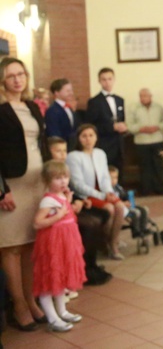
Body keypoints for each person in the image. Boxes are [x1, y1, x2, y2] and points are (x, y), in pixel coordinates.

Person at [0, 57, 48, 331]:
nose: (17, 80)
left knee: (30, 245)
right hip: (11, 188)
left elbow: (40, 144)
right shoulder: (0, 110)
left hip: (36, 185)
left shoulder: (32, 107)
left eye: (21, 74)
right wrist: (1, 190)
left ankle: (31, 300)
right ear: (2, 81)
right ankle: (17, 305)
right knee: (12, 247)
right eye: (11, 76)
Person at [48, 136, 112, 286]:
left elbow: (68, 189)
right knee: (91, 224)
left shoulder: (62, 166)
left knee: (104, 214)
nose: (63, 155)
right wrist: (72, 204)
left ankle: (91, 262)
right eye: (58, 151)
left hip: (69, 206)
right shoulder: (49, 170)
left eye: (64, 150)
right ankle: (86, 268)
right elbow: (52, 194)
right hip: (58, 211)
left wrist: (80, 200)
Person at [32, 160, 85, 333]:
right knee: (49, 279)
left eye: (65, 177)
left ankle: (62, 311)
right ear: (48, 181)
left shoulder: (62, 196)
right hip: (53, 245)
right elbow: (38, 223)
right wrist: (59, 215)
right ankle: (52, 317)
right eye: (57, 178)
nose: (62, 181)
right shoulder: (48, 200)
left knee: (60, 277)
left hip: (65, 243)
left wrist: (68, 202)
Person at [66, 124, 128, 260]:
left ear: (96, 138)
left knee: (120, 207)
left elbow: (105, 177)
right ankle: (108, 244)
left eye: (91, 135)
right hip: (87, 195)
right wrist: (101, 195)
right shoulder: (73, 156)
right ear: (78, 139)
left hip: (103, 192)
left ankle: (113, 241)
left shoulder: (100, 153)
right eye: (84, 136)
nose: (88, 139)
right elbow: (77, 184)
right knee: (110, 209)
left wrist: (108, 192)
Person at [86, 67, 127, 173]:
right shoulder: (94, 101)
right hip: (104, 143)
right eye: (104, 79)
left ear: (114, 80)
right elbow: (91, 125)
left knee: (119, 170)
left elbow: (121, 118)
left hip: (118, 143)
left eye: (109, 79)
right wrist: (111, 127)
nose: (107, 82)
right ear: (99, 81)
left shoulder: (119, 99)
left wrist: (123, 126)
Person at [129, 88, 163, 195]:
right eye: (141, 96)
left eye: (146, 96)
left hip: (157, 140)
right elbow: (130, 125)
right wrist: (140, 128)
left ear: (150, 96)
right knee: (144, 166)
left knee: (158, 165)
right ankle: (146, 190)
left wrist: (157, 127)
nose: (143, 98)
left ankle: (159, 188)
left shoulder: (159, 107)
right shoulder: (134, 108)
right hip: (141, 142)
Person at [45, 78, 79, 151]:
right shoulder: (52, 111)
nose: (71, 93)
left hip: (72, 148)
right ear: (57, 93)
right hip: (61, 149)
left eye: (71, 90)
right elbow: (54, 134)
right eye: (67, 91)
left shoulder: (69, 108)